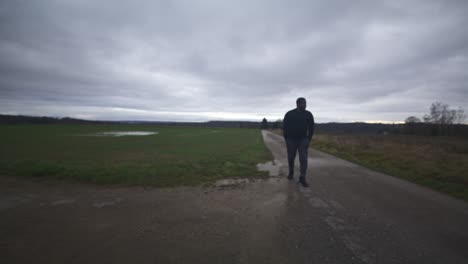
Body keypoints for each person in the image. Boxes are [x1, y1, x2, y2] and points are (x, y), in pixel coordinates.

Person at [282, 97, 315, 187]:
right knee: (291, 157)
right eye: (303, 103)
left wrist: (309, 139)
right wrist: (286, 138)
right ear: (297, 104)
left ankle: (302, 177)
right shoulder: (289, 114)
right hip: (291, 140)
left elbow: (311, 128)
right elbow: (284, 127)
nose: (305, 105)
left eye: (305, 103)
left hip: (303, 140)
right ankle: (291, 173)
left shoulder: (308, 114)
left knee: (303, 158)